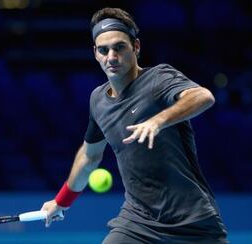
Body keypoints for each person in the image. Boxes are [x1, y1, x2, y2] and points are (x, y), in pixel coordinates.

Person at [41, 7, 228, 243]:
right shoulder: (98, 100)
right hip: (137, 223)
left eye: (119, 47)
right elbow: (89, 156)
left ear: (136, 47)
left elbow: (203, 96)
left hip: (193, 222)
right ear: (95, 53)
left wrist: (158, 120)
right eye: (103, 50)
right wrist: (61, 201)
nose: (111, 56)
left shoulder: (158, 78)